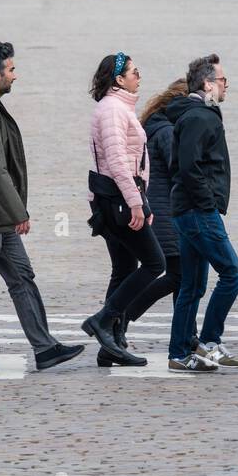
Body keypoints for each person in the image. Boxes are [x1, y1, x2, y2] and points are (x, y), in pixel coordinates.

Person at [0, 42, 84, 375]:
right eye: (11, 69)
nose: (15, 75)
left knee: (22, 276)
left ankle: (45, 348)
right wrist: (18, 211)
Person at [80, 52, 162, 367]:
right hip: (117, 201)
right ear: (119, 79)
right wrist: (135, 202)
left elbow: (132, 161)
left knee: (124, 269)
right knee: (155, 263)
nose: (139, 75)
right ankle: (103, 321)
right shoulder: (113, 109)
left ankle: (111, 346)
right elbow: (116, 161)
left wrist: (144, 200)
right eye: (134, 71)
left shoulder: (115, 107)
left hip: (115, 199)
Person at [165, 53, 238, 373]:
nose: (227, 86)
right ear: (208, 84)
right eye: (223, 80)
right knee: (232, 274)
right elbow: (188, 166)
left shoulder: (201, 113)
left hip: (190, 209)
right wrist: (207, 202)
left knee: (193, 286)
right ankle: (209, 341)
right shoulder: (200, 117)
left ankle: (180, 352)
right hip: (197, 211)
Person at [116, 78, 189, 354]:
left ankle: (186, 333)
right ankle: (123, 315)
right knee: (177, 276)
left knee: (177, 275)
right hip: (166, 211)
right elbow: (178, 170)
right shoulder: (169, 132)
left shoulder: (155, 124)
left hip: (159, 208)